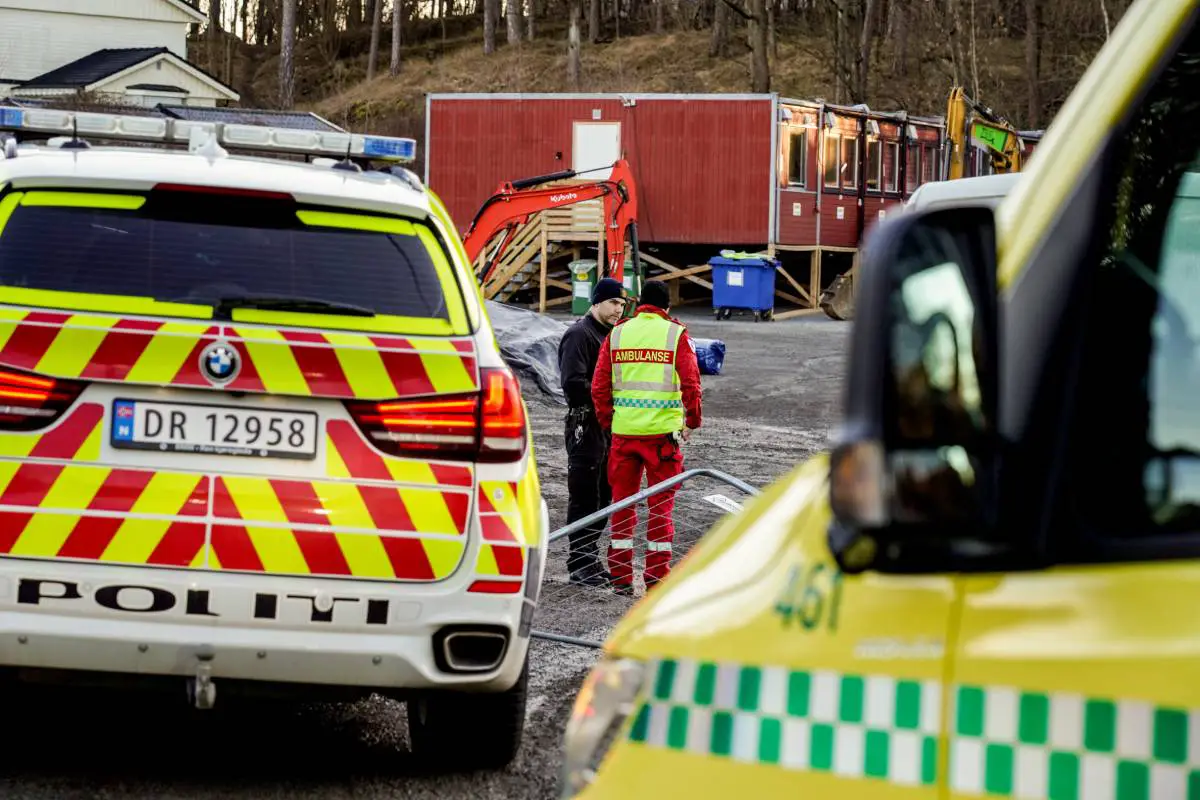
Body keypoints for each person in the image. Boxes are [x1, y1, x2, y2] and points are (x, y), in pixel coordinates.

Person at [591, 279, 702, 595]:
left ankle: (622, 578)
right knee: (660, 507)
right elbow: (691, 383)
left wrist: (610, 423)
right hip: (662, 439)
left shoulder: (618, 333)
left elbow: (599, 387)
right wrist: (692, 420)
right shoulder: (675, 335)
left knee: (622, 505)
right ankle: (655, 580)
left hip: (624, 435)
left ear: (638, 305)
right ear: (667, 307)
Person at [557, 277, 628, 586]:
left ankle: (589, 557)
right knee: (585, 495)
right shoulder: (579, 335)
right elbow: (573, 385)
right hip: (585, 426)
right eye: (614, 303)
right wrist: (611, 393)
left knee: (605, 494)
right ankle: (579, 562)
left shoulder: (609, 336)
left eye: (623, 305)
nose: (619, 309)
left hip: (606, 427)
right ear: (597, 302)